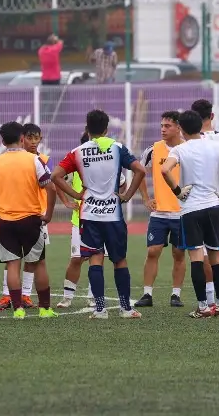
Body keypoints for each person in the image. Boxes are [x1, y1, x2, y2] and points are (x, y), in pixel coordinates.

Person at [51, 109, 146, 320]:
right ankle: (126, 309)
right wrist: (127, 195)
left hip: (89, 215)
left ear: (87, 128)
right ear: (106, 129)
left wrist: (76, 194)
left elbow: (55, 175)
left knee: (95, 258)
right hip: (113, 214)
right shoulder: (117, 148)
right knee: (119, 260)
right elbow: (140, 170)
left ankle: (100, 309)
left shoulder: (77, 151)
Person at [161, 110, 219, 318]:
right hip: (213, 207)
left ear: (181, 129)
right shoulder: (217, 146)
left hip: (191, 209)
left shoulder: (180, 149)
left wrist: (177, 192)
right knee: (216, 256)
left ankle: (202, 307)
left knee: (197, 258)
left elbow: (165, 170)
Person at [0, 122, 58, 319]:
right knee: (39, 263)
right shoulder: (33, 160)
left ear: (2, 141)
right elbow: (51, 187)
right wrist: (49, 214)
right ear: (22, 138)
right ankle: (45, 309)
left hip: (6, 222)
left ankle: (18, 309)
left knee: (12, 265)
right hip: (31, 219)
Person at [55, 132, 127, 309]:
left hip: (103, 217)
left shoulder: (106, 163)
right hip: (80, 219)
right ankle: (67, 297)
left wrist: (118, 195)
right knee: (77, 258)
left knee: (98, 257)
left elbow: (123, 181)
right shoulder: (77, 164)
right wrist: (66, 200)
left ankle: (94, 297)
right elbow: (56, 181)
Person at [133, 111, 187, 308]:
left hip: (182, 212)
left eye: (168, 126)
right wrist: (146, 198)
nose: (163, 129)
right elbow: (139, 171)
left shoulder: (188, 149)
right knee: (153, 251)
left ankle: (176, 295)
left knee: (179, 254)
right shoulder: (153, 149)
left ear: (179, 127)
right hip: (159, 213)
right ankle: (147, 294)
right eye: (162, 125)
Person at [0, 123, 49, 310]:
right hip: (29, 217)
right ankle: (8, 296)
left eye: (37, 138)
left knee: (29, 260)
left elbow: (51, 184)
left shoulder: (40, 159)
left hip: (36, 214)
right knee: (15, 260)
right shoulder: (10, 160)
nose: (34, 142)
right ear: (22, 138)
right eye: (30, 138)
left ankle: (24, 296)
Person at [192, 99, 219, 312]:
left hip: (196, 204)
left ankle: (213, 299)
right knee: (216, 253)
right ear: (212, 116)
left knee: (202, 255)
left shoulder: (189, 141)